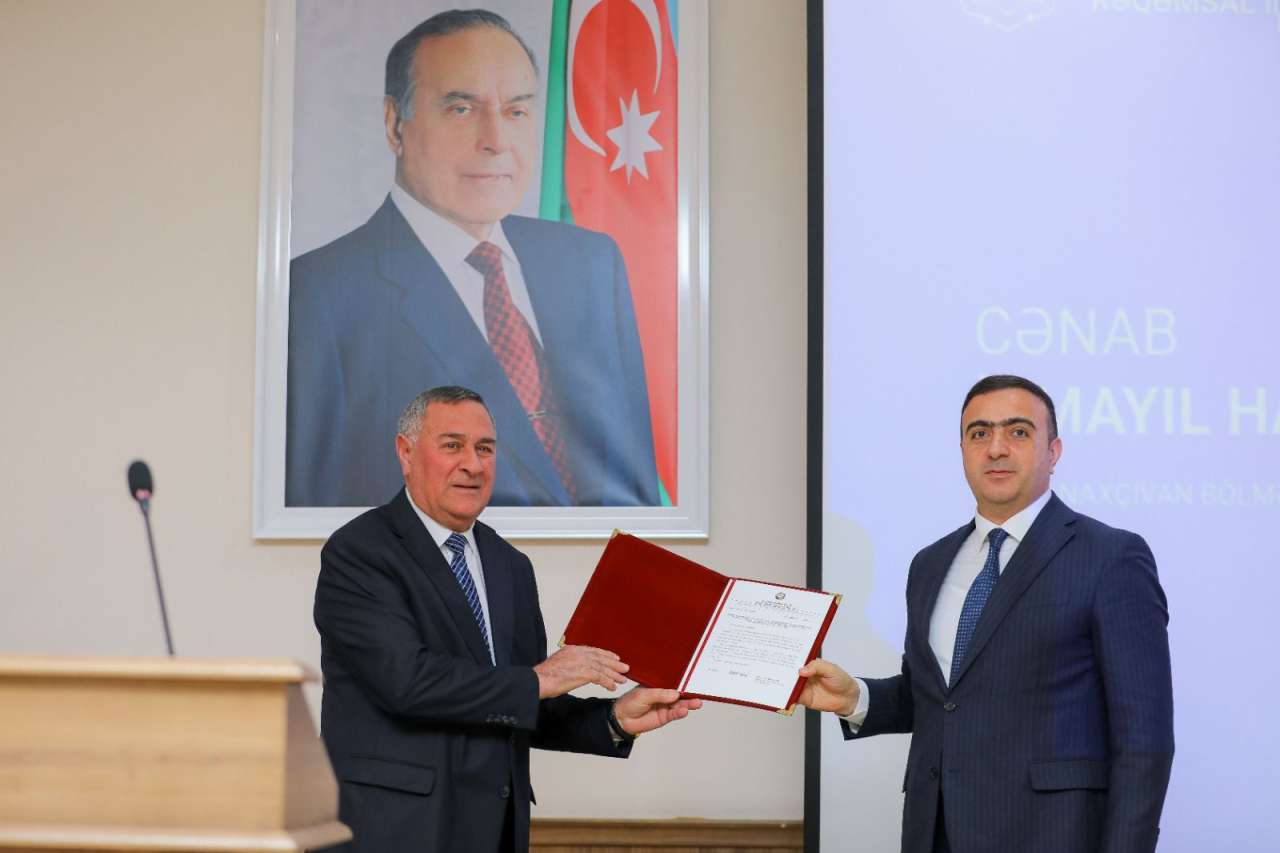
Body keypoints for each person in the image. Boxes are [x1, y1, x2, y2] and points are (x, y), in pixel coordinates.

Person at [287, 9, 659, 508]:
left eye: (516, 111)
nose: (497, 141)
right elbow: (313, 517)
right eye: (461, 109)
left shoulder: (591, 264)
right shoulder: (319, 295)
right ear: (395, 125)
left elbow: (635, 484)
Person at [314, 385, 699, 853]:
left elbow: (522, 700)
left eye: (485, 448)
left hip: (496, 831)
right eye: (452, 445)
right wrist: (541, 679)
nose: (473, 465)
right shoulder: (359, 552)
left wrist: (615, 718)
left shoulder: (509, 564)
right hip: (392, 831)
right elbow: (407, 681)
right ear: (406, 453)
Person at [798, 375, 1174, 853]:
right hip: (933, 834)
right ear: (962, 451)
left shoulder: (1111, 557)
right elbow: (943, 699)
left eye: (1018, 432)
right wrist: (856, 697)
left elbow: (1145, 740)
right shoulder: (930, 564)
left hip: (1054, 837)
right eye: (979, 433)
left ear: (1054, 452)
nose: (996, 448)